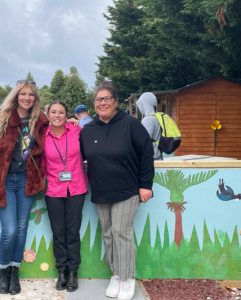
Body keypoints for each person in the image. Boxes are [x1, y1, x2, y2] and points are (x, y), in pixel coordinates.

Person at [79, 81, 154, 300]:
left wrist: (145, 185)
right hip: (101, 190)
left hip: (128, 189)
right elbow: (80, 156)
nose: (102, 103)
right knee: (108, 233)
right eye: (98, 99)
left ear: (115, 101)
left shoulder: (131, 124)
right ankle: (116, 274)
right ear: (94, 103)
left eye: (106, 98)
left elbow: (146, 154)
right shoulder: (88, 129)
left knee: (121, 232)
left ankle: (127, 278)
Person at [0, 80, 49, 295]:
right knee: (9, 231)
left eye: (31, 95)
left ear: (35, 98)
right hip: (5, 181)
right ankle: (3, 270)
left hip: (27, 181)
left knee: (21, 229)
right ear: (16, 96)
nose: (27, 98)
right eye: (23, 94)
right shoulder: (2, 117)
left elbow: (54, 136)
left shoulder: (40, 121)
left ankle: (14, 270)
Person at [43, 101, 88, 292]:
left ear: (67, 115)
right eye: (53, 112)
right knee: (58, 232)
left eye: (61, 112)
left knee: (72, 232)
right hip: (53, 189)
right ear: (48, 114)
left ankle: (73, 272)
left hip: (76, 187)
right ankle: (61, 271)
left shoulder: (77, 131)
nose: (57, 115)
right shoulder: (42, 135)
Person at [136, 92, 163, 160]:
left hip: (152, 157)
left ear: (144, 104)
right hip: (158, 154)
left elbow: (144, 140)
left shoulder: (148, 119)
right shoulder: (158, 116)